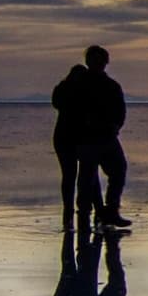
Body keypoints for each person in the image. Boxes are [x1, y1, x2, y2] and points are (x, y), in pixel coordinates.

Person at [78, 45, 130, 229]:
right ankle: (85, 214)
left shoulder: (112, 86)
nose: (98, 63)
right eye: (94, 60)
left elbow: (120, 111)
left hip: (107, 137)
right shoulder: (79, 83)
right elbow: (61, 102)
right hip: (87, 138)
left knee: (119, 169)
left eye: (101, 60)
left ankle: (111, 210)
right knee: (87, 176)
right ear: (88, 61)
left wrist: (115, 126)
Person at [49, 59, 90, 228]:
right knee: (72, 175)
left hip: (78, 137)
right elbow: (58, 104)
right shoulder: (66, 91)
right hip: (67, 138)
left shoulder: (66, 90)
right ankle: (70, 211)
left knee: (83, 175)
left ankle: (81, 210)